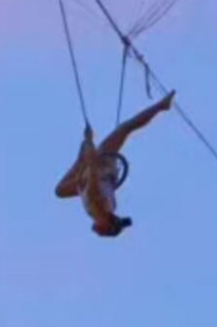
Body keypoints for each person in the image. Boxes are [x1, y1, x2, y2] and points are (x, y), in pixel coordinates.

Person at [54, 90, 176, 237]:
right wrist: (89, 150)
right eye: (101, 231)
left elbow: (93, 184)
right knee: (124, 128)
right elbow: (93, 179)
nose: (97, 232)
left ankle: (82, 158)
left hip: (96, 173)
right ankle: (161, 106)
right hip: (100, 168)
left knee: (60, 191)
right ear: (106, 225)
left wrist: (84, 158)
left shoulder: (106, 209)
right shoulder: (100, 208)